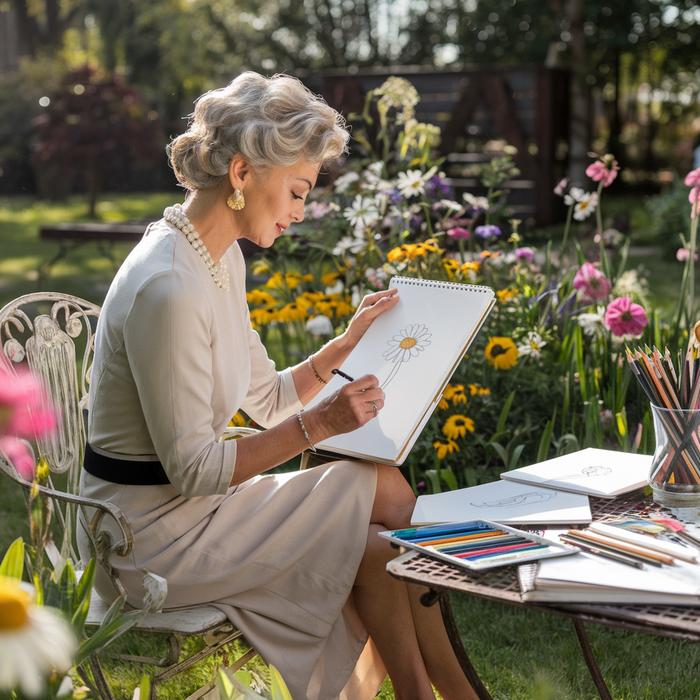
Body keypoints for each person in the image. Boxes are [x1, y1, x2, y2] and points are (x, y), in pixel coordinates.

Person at [78, 71, 478, 700]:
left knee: (378, 520)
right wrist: (320, 426)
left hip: (190, 512)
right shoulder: (169, 287)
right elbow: (196, 472)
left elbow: (265, 399)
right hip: (144, 539)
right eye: (296, 192)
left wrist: (344, 345)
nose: (300, 212)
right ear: (241, 174)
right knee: (379, 516)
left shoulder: (217, 257)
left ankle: (430, 694)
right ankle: (449, 694)